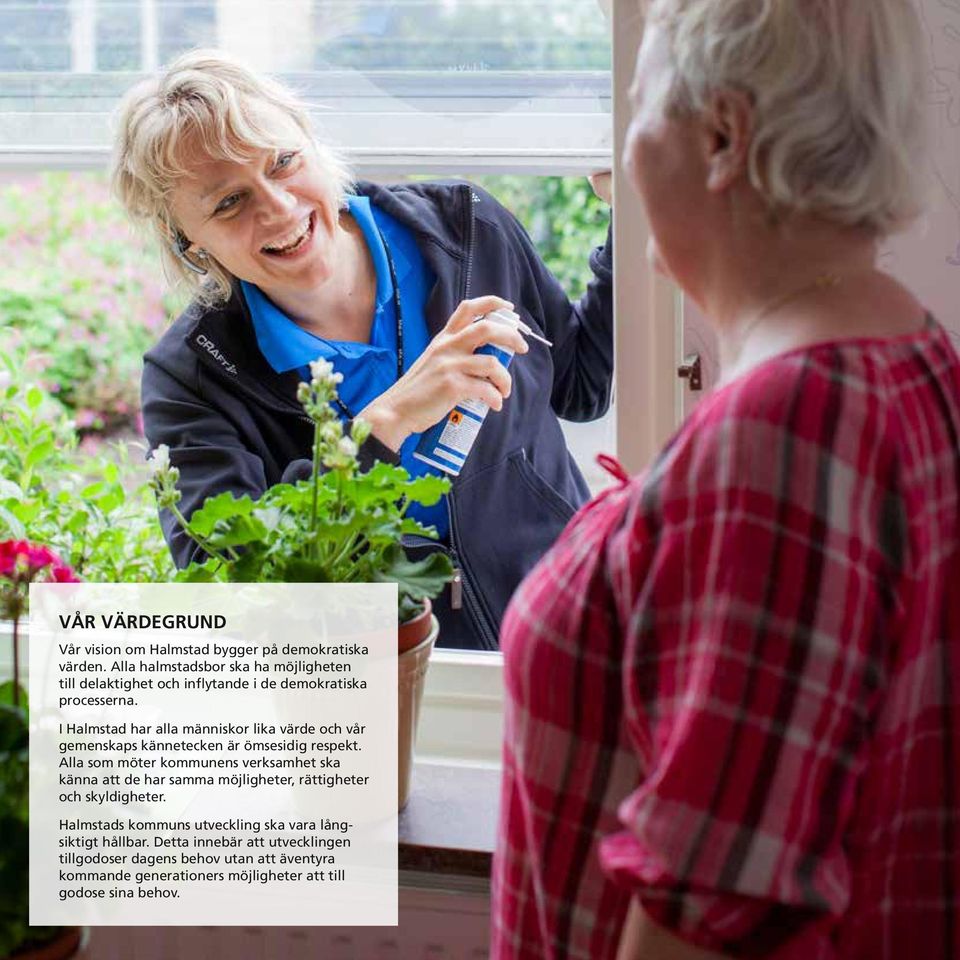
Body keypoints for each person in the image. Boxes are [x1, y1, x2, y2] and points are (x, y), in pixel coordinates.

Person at [492, 1, 960, 958]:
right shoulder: (905, 350)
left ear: (720, 136)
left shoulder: (788, 432)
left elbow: (712, 916)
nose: (618, 157)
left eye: (635, 110)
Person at [111, 50, 613, 651]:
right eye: (228, 202)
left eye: (283, 162)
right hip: (382, 686)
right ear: (187, 240)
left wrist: (630, 219)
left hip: (572, 627)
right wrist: (383, 424)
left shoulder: (464, 228)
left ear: (310, 138)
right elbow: (238, 584)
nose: (277, 207)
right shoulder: (190, 376)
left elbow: (580, 385)